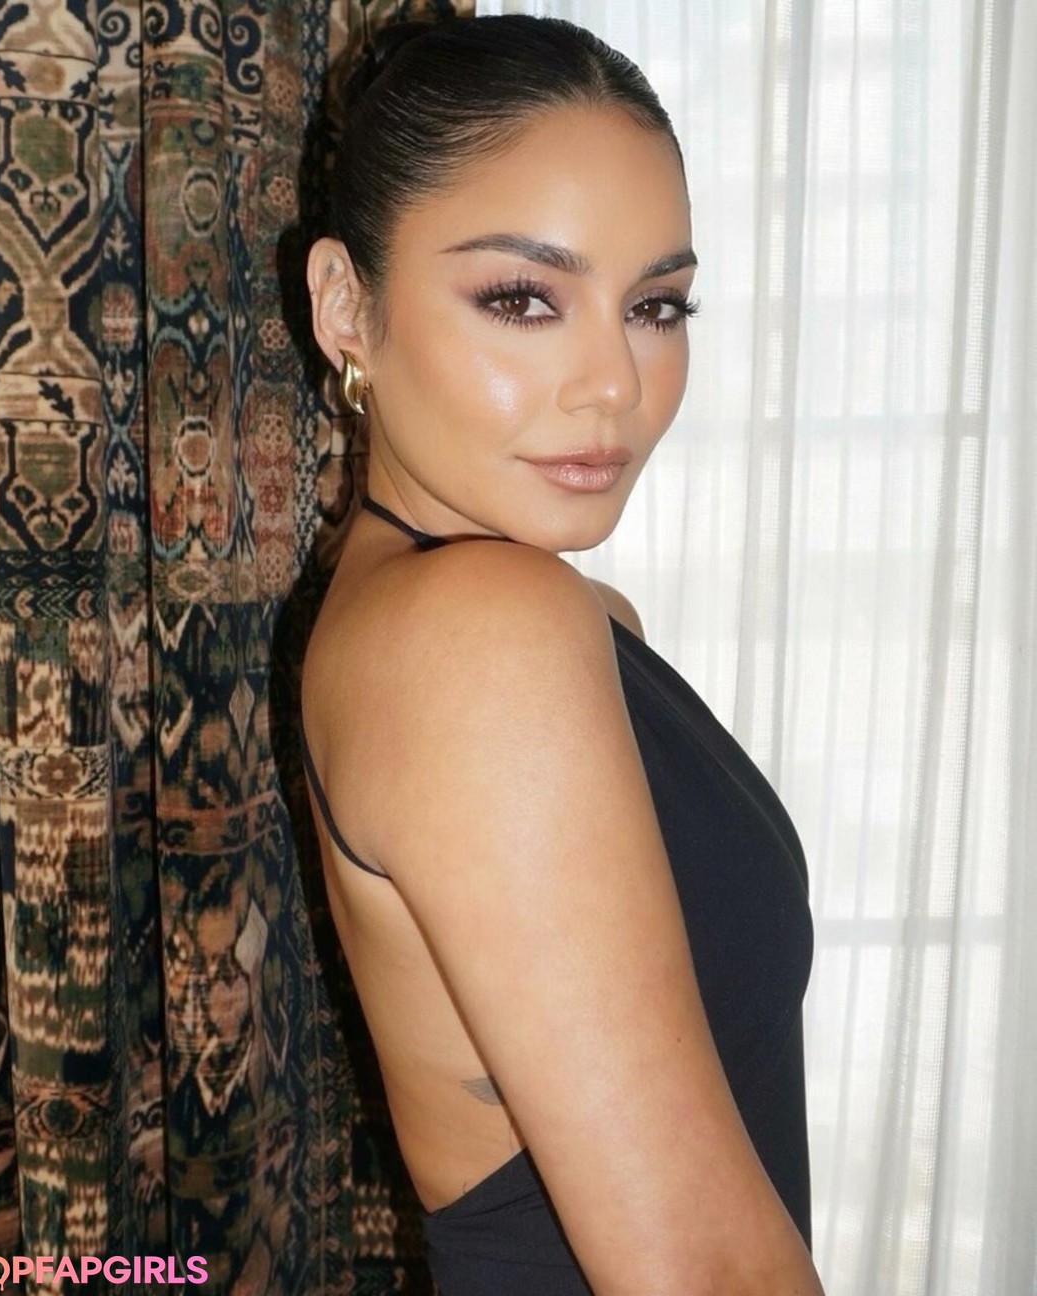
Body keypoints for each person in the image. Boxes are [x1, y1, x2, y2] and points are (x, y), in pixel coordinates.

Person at [301, 15, 824, 1295]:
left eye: (656, 306)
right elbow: (699, 1270)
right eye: (523, 299)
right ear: (345, 306)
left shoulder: (558, 619)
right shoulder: (480, 636)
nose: (614, 386)